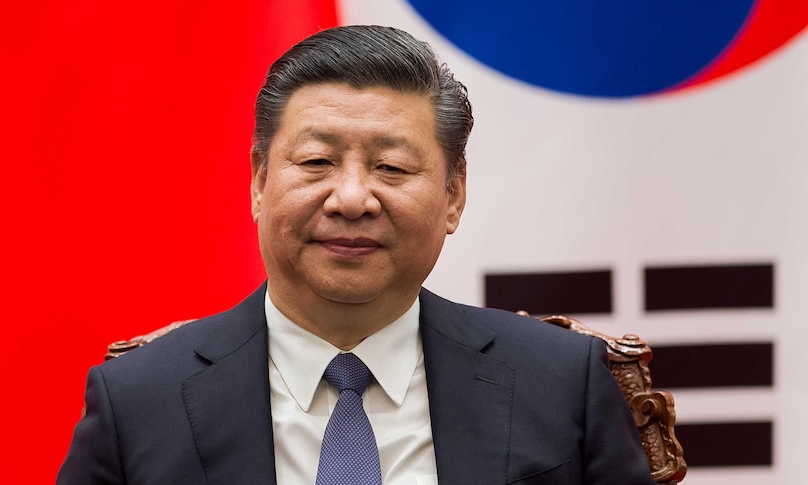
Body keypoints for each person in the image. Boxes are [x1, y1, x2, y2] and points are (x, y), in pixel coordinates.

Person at [58, 25, 654, 484]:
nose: (350, 198)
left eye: (391, 167)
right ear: (259, 182)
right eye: (316, 162)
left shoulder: (560, 383)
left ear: (454, 195)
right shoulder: (138, 401)